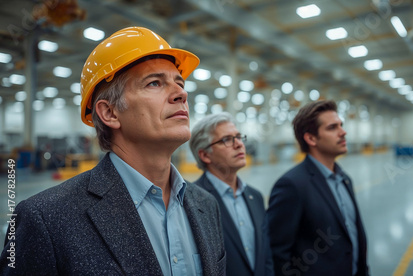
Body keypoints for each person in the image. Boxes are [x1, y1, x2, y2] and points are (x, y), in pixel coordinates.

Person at [0, 27, 226, 275]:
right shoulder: (45, 220)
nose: (181, 93)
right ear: (109, 113)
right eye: (154, 83)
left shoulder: (207, 205)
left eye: (179, 83)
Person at [266, 100, 369, 276]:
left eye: (341, 125)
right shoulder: (292, 185)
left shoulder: (345, 180)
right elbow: (277, 252)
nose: (343, 132)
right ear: (311, 138)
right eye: (332, 128)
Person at [189, 112, 274, 276]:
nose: (239, 145)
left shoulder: (255, 197)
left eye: (239, 137)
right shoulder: (192, 201)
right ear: (205, 155)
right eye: (227, 140)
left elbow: (266, 255)